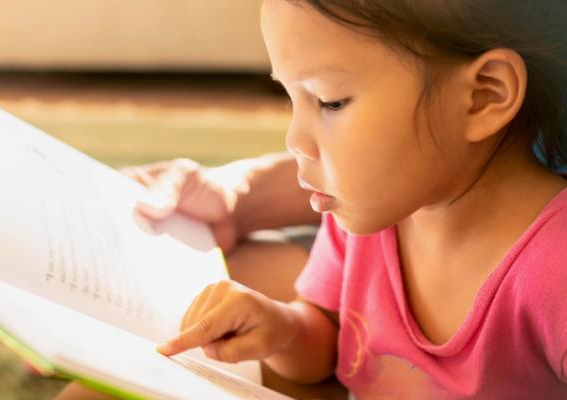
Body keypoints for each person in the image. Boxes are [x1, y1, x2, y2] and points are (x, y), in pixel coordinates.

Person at [57, 0, 567, 398]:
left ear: (483, 96)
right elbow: (328, 341)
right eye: (289, 97)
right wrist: (279, 328)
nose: (294, 139)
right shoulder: (374, 214)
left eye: (329, 101)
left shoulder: (553, 268)